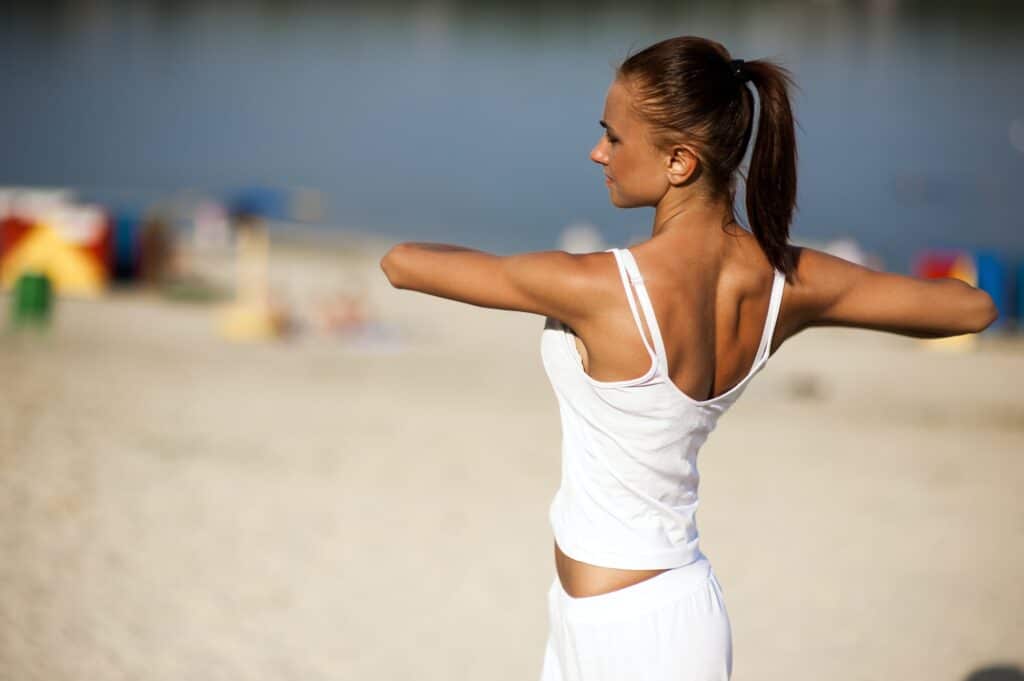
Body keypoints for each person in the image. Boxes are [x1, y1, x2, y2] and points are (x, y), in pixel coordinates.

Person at [379, 35, 997, 681]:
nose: (598, 152)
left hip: (634, 634)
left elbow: (402, 263)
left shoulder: (596, 286)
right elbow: (970, 309)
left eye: (613, 138)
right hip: (633, 618)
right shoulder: (788, 281)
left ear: (679, 161)